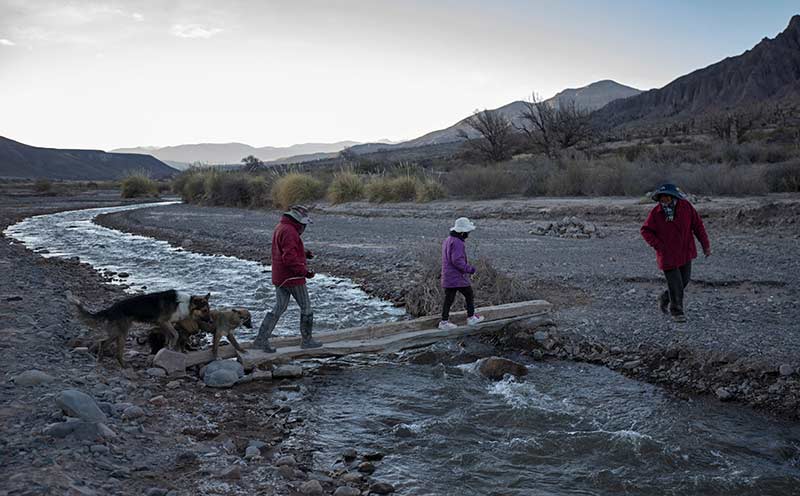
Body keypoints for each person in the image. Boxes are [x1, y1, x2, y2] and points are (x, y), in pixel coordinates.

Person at [253, 205, 322, 352]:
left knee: (279, 308)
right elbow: (289, 258)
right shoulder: (290, 231)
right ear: (299, 222)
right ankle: (307, 341)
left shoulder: (282, 227)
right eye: (304, 224)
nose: (304, 227)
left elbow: (286, 249)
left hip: (280, 277)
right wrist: (305, 272)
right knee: (306, 308)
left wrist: (304, 253)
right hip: (292, 278)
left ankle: (261, 340)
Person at [640, 184, 711, 323]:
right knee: (675, 284)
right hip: (667, 255)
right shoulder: (656, 212)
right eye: (661, 198)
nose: (664, 200)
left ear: (673, 197)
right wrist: (659, 245)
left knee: (684, 281)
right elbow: (645, 230)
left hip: (685, 251)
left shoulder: (686, 207)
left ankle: (664, 298)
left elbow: (698, 226)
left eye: (666, 197)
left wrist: (705, 245)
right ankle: (677, 312)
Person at [438, 217, 485, 330]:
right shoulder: (458, 242)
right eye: (468, 232)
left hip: (448, 275)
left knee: (449, 298)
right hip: (456, 276)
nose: (468, 234)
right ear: (462, 232)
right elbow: (457, 261)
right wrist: (470, 269)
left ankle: (444, 322)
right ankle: (471, 318)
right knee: (469, 294)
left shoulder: (448, 239)